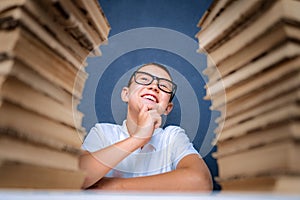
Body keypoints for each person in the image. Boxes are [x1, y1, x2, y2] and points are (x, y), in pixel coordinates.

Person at [79, 63, 213, 191]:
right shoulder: (102, 133)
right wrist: (138, 138)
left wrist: (107, 187)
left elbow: (201, 182)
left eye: (164, 86)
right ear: (126, 94)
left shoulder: (172, 137)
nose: (154, 86)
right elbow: (77, 177)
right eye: (144, 79)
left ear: (167, 108)